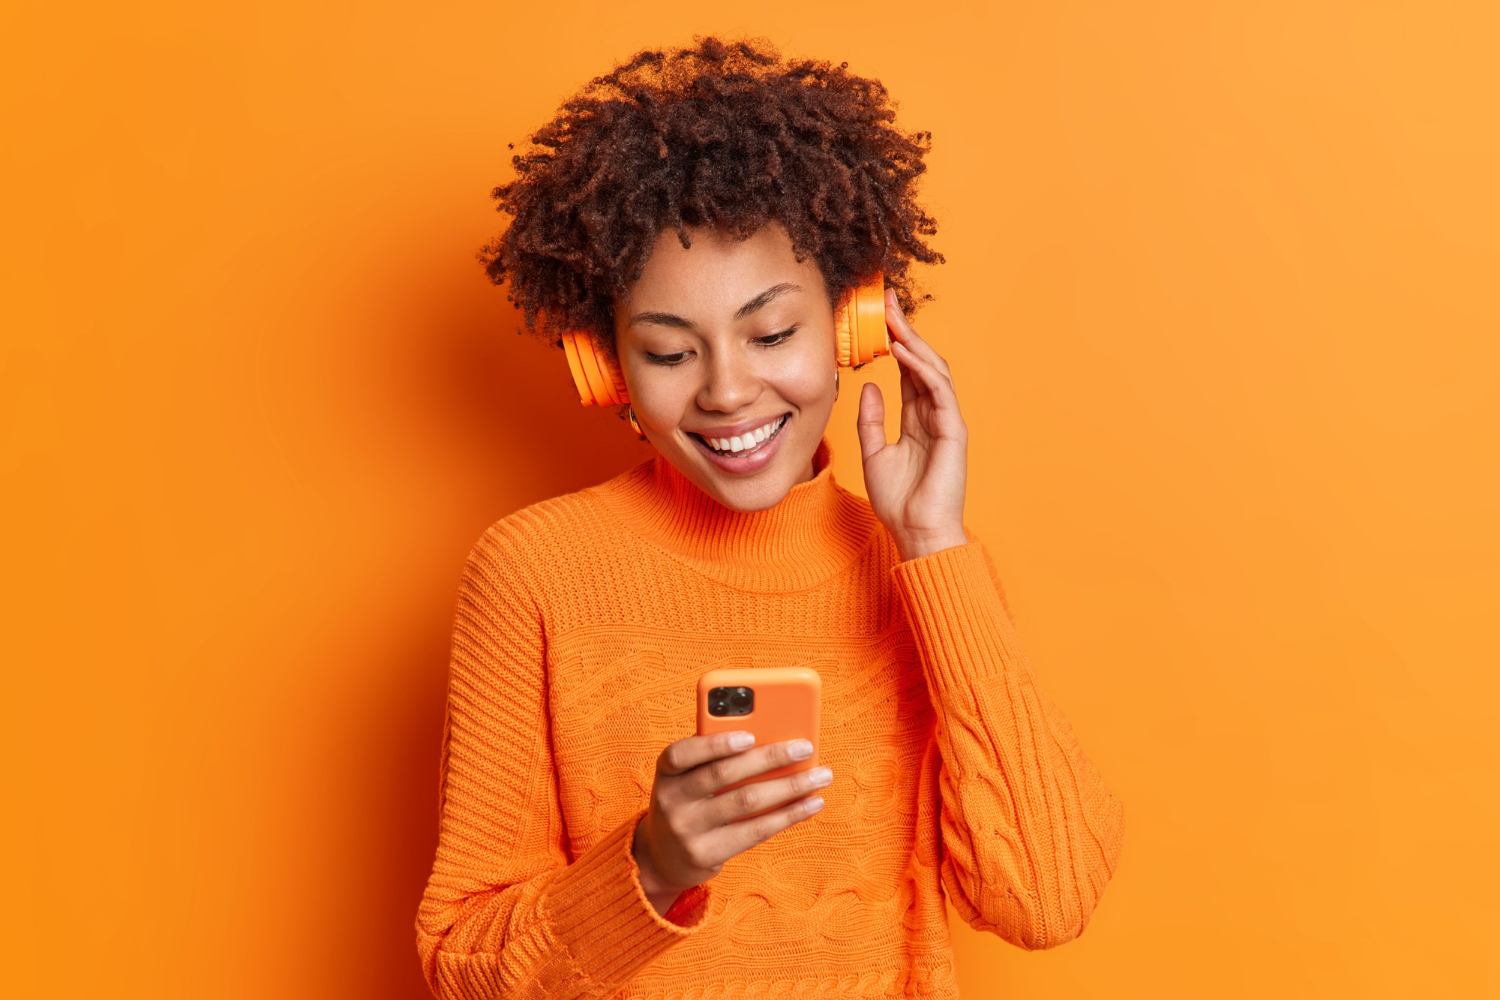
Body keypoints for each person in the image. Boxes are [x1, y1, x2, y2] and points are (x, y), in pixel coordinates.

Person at [415, 36, 1123, 1000]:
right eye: (670, 353)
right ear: (608, 372)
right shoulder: (536, 570)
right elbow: (463, 967)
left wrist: (933, 548)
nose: (728, 391)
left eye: (774, 333)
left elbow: (1046, 901)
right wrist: (654, 866)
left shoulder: (926, 574)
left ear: (853, 324)